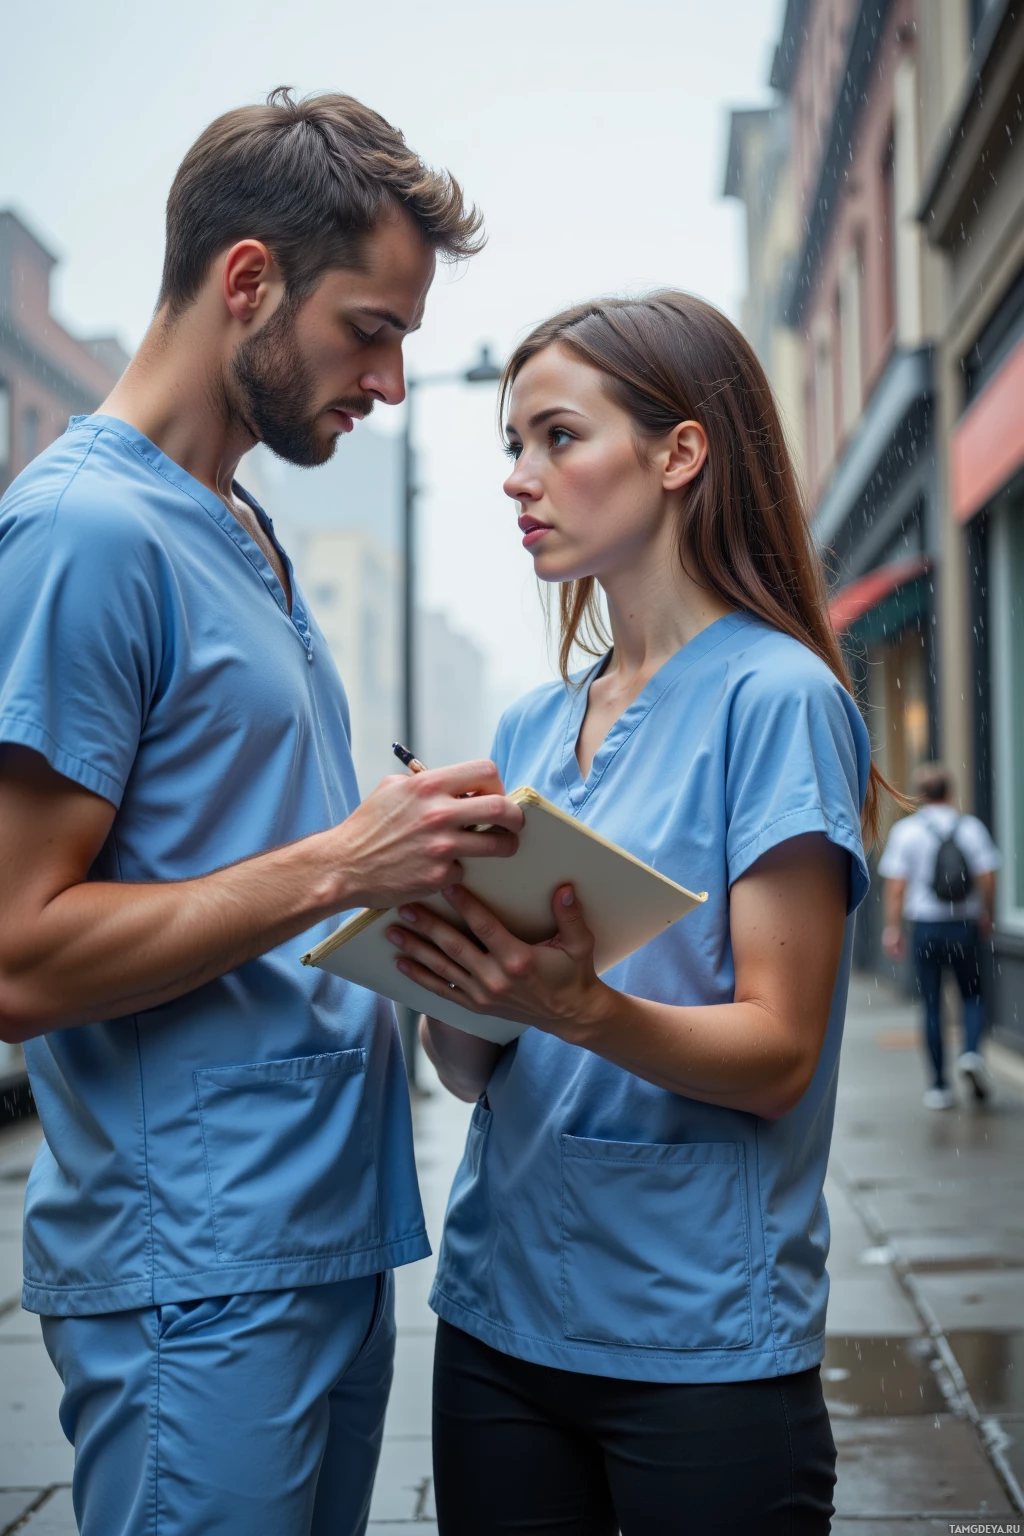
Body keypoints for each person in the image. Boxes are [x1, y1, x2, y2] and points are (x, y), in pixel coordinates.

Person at [0, 90, 525, 1536]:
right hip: (201, 1274)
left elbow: (262, 869)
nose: (395, 384)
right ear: (249, 282)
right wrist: (343, 861)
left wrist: (420, 865)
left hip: (324, 1248)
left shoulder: (245, 530)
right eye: (373, 329)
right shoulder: (83, 534)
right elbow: (16, 956)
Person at [387, 292, 883, 1535]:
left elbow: (776, 1056)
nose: (519, 478)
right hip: (498, 1322)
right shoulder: (528, 726)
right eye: (511, 444)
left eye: (558, 437)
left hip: (701, 1341)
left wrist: (582, 1005)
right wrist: (451, 969)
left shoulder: (777, 699)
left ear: (678, 453)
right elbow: (475, 1071)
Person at [879, 761, 1000, 1109]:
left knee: (931, 1004)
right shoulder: (970, 827)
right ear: (950, 791)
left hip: (925, 927)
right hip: (964, 925)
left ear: (920, 795)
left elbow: (896, 888)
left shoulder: (907, 832)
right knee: (973, 995)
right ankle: (972, 1052)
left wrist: (893, 929)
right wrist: (986, 913)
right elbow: (988, 877)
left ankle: (938, 1087)